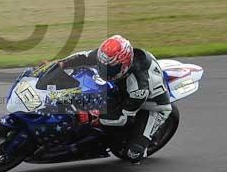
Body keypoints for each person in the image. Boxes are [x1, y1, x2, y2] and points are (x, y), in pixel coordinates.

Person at [58, 35, 172, 163]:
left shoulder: (138, 87)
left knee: (133, 154)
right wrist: (61, 63)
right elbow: (83, 57)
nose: (104, 70)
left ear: (124, 65)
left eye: (110, 69)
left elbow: (124, 118)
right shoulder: (110, 58)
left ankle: (142, 142)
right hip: (125, 91)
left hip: (152, 106)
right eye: (102, 66)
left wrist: (95, 117)